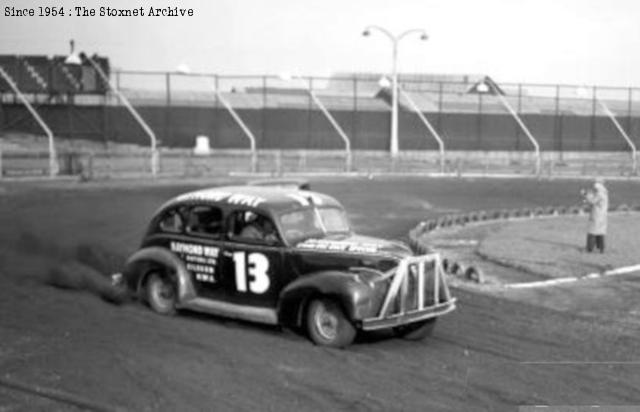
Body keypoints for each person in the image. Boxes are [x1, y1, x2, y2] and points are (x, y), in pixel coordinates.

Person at [581, 178, 608, 253]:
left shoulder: (600, 194)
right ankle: (601, 248)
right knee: (600, 232)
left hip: (597, 214)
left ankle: (589, 248)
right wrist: (588, 196)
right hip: (602, 215)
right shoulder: (604, 192)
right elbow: (593, 199)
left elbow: (592, 201)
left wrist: (585, 194)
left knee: (592, 231)